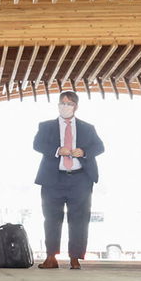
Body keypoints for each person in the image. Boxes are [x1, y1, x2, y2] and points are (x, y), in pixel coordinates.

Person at [32, 90, 104, 270]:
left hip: (80, 179)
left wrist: (85, 152)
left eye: (69, 103)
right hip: (53, 179)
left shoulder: (88, 128)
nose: (65, 106)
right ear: (58, 105)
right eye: (62, 103)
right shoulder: (46, 126)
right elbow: (37, 144)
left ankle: (75, 258)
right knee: (51, 218)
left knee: (79, 219)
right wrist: (57, 150)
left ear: (76, 107)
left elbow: (99, 147)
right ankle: (51, 257)